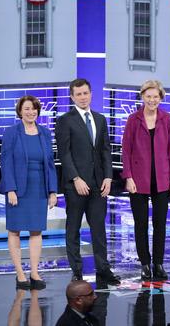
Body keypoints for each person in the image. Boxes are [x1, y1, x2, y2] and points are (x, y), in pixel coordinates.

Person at [55, 78, 120, 285]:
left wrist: (108, 176)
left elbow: (105, 150)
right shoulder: (65, 120)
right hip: (76, 185)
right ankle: (77, 271)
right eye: (79, 94)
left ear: (91, 94)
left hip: (98, 184)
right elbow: (64, 154)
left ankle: (103, 269)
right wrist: (76, 178)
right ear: (72, 97)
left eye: (86, 93)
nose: (83, 97)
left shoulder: (100, 119)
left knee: (99, 229)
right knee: (73, 228)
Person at [121, 80, 170, 280]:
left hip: (162, 178)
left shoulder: (166, 118)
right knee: (140, 224)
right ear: (142, 97)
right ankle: (145, 264)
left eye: (156, 97)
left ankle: (159, 264)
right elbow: (126, 150)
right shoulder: (133, 119)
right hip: (138, 179)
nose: (152, 100)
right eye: (148, 96)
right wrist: (127, 176)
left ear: (161, 98)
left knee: (160, 224)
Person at [0, 95, 58, 290]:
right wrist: (10, 189)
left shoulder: (45, 133)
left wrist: (52, 191)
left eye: (33, 109)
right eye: (26, 109)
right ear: (20, 111)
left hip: (39, 187)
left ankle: (34, 272)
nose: (31, 112)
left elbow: (50, 163)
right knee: (15, 230)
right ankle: (20, 274)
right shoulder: (11, 132)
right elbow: (5, 162)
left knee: (36, 230)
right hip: (18, 188)